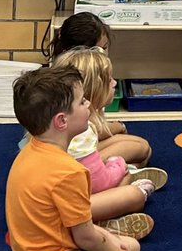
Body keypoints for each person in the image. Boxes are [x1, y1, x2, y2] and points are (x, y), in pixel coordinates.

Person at [4, 65, 164, 251]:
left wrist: (114, 245)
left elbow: (76, 226)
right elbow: (85, 236)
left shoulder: (29, 152)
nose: (88, 103)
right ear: (62, 121)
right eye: (82, 101)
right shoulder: (69, 171)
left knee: (131, 245)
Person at [52, 47, 167, 203]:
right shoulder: (77, 121)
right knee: (134, 195)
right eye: (108, 80)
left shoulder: (65, 117)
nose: (114, 83)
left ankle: (128, 175)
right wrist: (118, 169)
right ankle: (129, 183)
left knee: (142, 147)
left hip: (77, 172)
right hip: (78, 190)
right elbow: (95, 179)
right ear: (92, 88)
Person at [50, 11, 152, 166]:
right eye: (99, 50)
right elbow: (85, 129)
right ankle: (106, 173)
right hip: (70, 156)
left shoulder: (67, 74)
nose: (103, 54)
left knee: (141, 149)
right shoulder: (78, 85)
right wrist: (118, 126)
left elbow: (90, 130)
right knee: (141, 148)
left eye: (105, 48)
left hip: (75, 146)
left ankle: (121, 171)